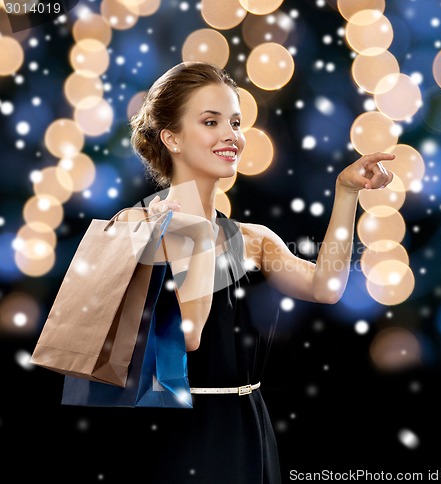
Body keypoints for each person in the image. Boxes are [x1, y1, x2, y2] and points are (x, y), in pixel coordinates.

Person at [126, 61, 394, 483]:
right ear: (171, 137)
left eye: (235, 121)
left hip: (251, 423)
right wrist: (193, 230)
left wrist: (346, 193)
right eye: (210, 121)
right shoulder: (139, 226)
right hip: (180, 432)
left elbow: (326, 288)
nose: (230, 135)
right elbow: (188, 335)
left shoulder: (253, 238)